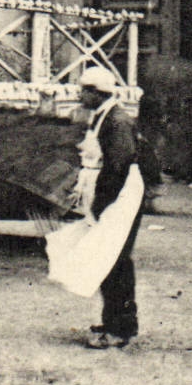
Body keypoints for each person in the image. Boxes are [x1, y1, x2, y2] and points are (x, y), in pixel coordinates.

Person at [69, 65, 146, 349]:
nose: (79, 94)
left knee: (116, 261)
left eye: (83, 90)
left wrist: (103, 204)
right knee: (107, 260)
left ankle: (121, 328)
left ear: (96, 93)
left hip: (120, 198)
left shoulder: (117, 121)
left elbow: (118, 165)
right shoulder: (103, 117)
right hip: (112, 196)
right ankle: (113, 321)